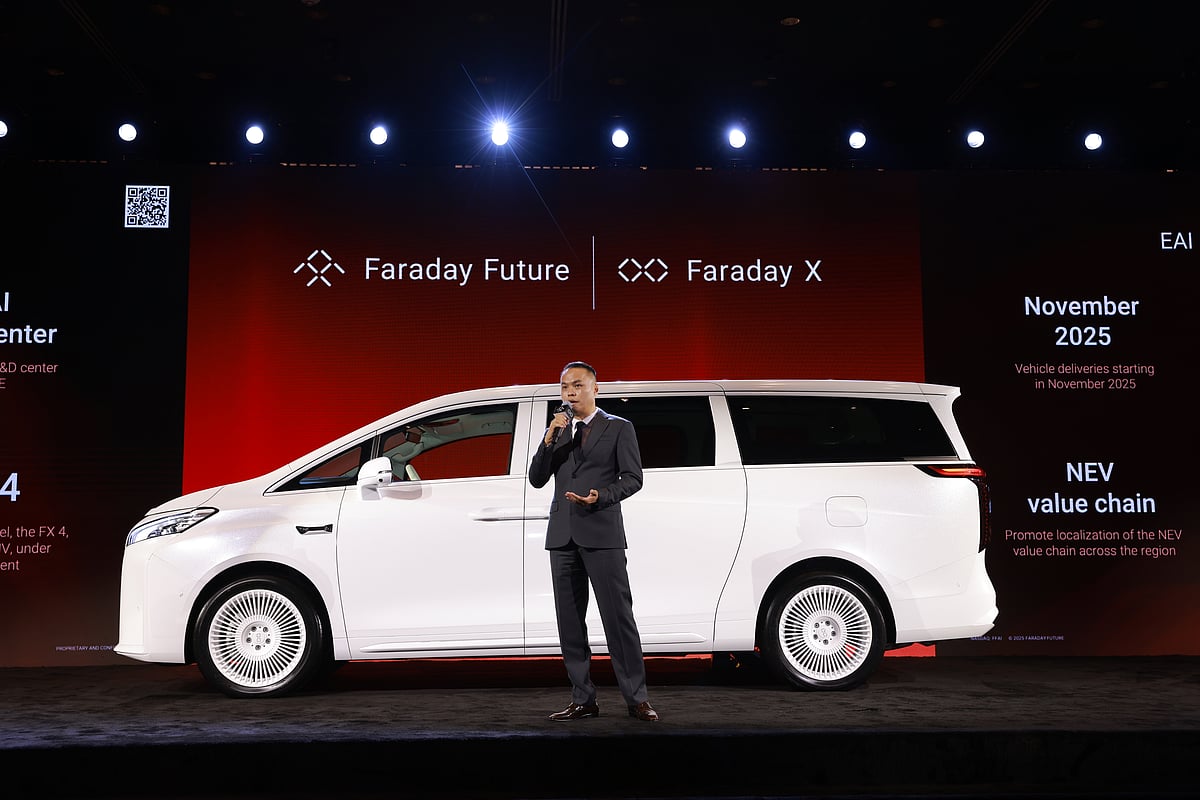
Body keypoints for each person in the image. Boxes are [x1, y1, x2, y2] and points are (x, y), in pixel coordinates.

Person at [528, 361, 659, 722]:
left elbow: (633, 478)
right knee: (570, 623)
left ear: (595, 388)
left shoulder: (618, 428)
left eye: (578, 385)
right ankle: (583, 699)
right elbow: (537, 478)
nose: (570, 392)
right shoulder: (559, 431)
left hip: (602, 533)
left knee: (619, 619)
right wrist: (549, 438)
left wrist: (599, 495)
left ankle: (637, 699)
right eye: (565, 387)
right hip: (562, 537)